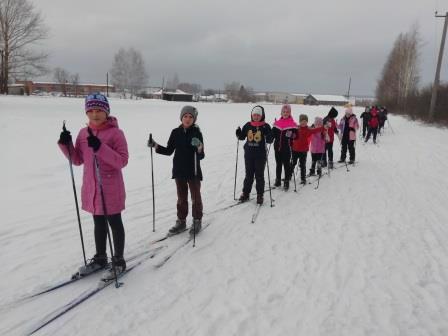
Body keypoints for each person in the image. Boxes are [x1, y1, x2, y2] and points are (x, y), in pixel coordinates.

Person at [58, 93, 129, 279]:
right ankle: (100, 258)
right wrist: (66, 145)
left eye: (99, 110)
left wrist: (100, 148)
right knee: (98, 223)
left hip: (111, 188)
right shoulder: (83, 133)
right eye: (91, 110)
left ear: (107, 112)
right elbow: (77, 159)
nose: (95, 114)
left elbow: (122, 161)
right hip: (92, 188)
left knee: (114, 222)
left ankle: (119, 260)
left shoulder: (116, 133)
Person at [148, 106, 204, 236]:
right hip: (179, 170)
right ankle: (181, 221)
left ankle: (197, 220)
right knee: (181, 198)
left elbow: (201, 155)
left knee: (195, 197)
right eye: (185, 116)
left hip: (193, 170)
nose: (188, 119)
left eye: (191, 117)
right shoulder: (175, 132)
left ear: (194, 119)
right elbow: (169, 151)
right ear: (181, 117)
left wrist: (199, 147)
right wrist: (155, 145)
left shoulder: (197, 133)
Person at [235, 105, 273, 204]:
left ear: (262, 116)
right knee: (249, 175)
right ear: (252, 115)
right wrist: (238, 133)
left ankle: (260, 195)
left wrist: (271, 135)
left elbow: (269, 140)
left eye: (258, 115)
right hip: (249, 154)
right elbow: (242, 137)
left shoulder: (265, 126)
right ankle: (245, 193)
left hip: (260, 155)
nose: (256, 117)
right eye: (254, 115)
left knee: (259, 175)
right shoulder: (248, 125)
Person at [291, 114, 324, 184]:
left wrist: (323, 127)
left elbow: (316, 130)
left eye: (305, 121)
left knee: (303, 165)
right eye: (302, 121)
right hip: (295, 150)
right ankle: (289, 175)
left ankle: (303, 179)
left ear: (307, 122)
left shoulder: (308, 129)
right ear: (299, 121)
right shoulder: (296, 128)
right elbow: (290, 131)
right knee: (292, 164)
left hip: (303, 151)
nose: (303, 122)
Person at [272, 104, 298, 190]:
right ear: (281, 113)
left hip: (287, 148)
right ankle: (278, 180)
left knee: (286, 165)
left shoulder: (293, 124)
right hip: (277, 148)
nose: (285, 113)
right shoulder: (277, 123)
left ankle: (286, 181)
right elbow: (272, 135)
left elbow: (297, 136)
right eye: (284, 112)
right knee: (278, 164)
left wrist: (292, 135)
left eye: (287, 112)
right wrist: (269, 136)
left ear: (290, 113)